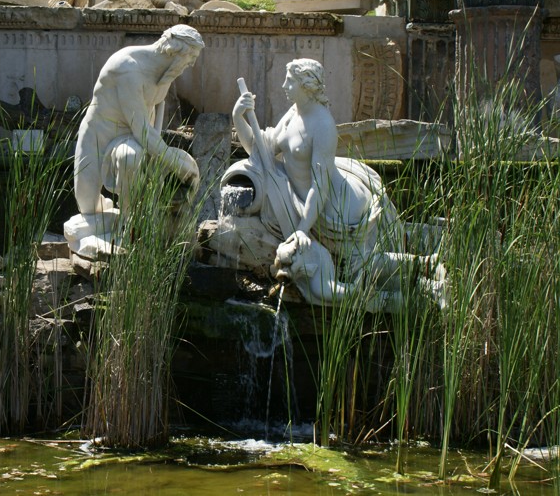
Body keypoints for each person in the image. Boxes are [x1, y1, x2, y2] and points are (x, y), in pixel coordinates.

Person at [231, 58, 445, 308]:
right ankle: (424, 283)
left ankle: (428, 268)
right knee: (355, 272)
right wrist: (238, 116)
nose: (284, 86)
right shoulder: (292, 115)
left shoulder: (323, 125)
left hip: (335, 209)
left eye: (290, 81)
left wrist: (302, 229)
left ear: (306, 85)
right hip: (303, 202)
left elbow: (320, 186)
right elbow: (260, 151)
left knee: (360, 267)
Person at [74, 24, 203, 216]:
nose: (191, 64)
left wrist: (157, 157)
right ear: (175, 52)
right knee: (87, 206)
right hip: (101, 133)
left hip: (133, 138)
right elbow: (141, 129)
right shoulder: (127, 68)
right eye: (191, 57)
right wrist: (174, 162)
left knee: (130, 158)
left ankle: (129, 220)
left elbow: (153, 114)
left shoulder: (167, 71)